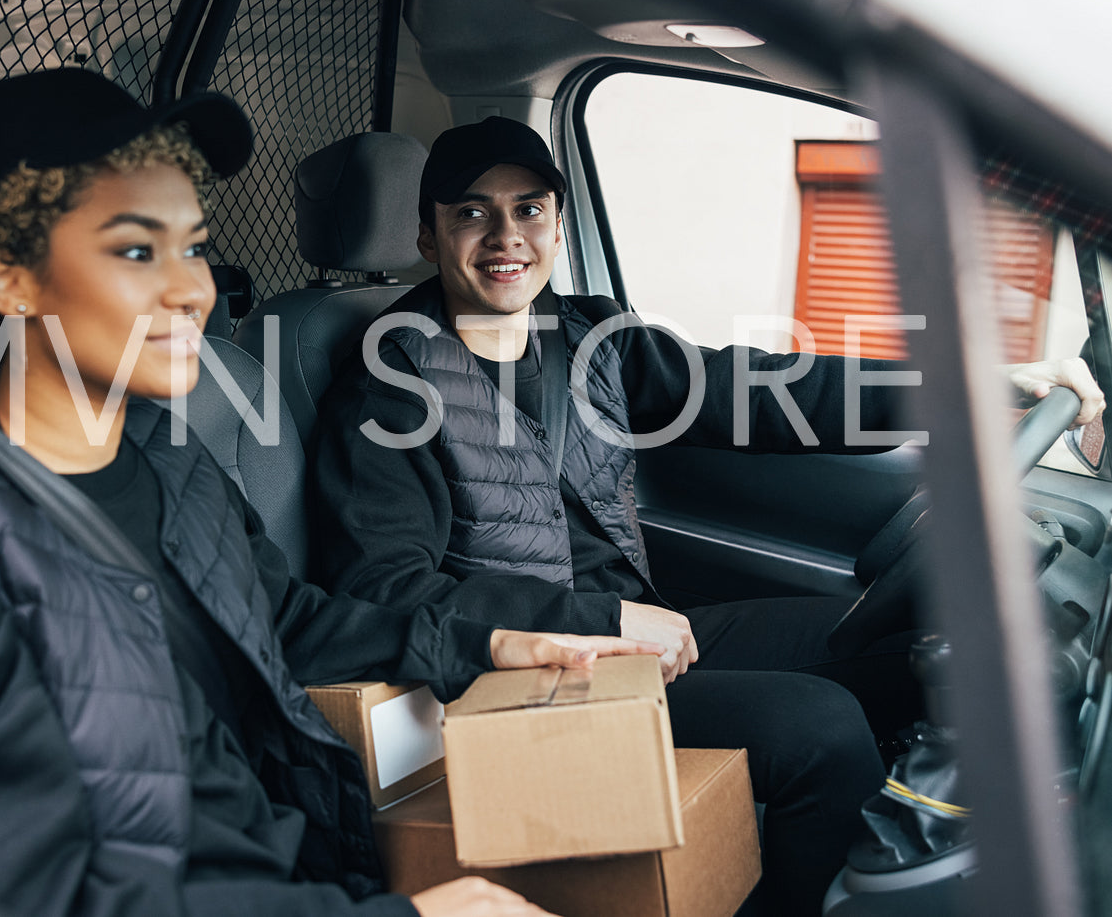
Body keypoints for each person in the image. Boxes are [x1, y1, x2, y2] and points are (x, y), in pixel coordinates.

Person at [0, 71, 658, 917]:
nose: (191, 289)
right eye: (135, 250)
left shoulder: (165, 455)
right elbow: (4, 890)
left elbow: (291, 621)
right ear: (7, 278)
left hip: (298, 865)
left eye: (194, 245)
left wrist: (495, 640)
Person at [307, 115, 1107, 915]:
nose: (504, 235)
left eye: (528, 209)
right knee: (817, 723)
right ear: (426, 234)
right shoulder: (387, 386)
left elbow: (761, 389)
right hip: (515, 677)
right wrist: (595, 617)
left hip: (638, 634)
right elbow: (385, 589)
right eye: (472, 213)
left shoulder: (590, 336)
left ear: (556, 222)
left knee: (904, 646)